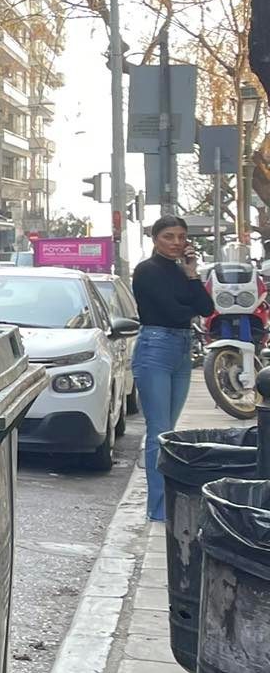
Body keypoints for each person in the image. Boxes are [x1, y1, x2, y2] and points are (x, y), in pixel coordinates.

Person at [131, 216, 213, 522]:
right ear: (155, 239)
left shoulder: (182, 271)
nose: (176, 242)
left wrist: (192, 274)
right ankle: (159, 509)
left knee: (169, 431)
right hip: (155, 347)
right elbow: (174, 311)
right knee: (159, 431)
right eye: (168, 236)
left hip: (181, 348)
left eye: (181, 236)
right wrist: (189, 307)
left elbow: (206, 308)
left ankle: (168, 505)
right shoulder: (146, 270)